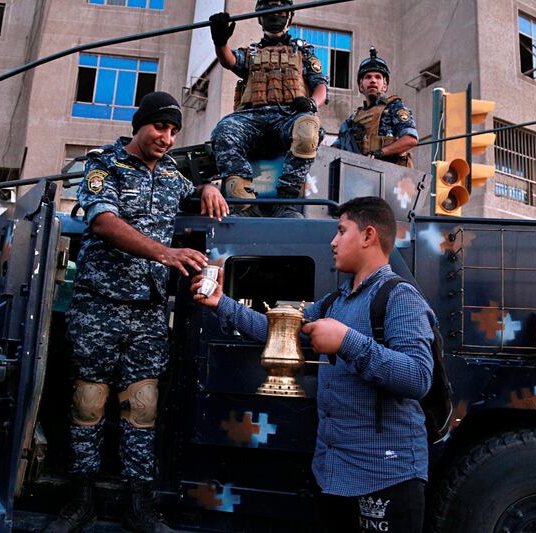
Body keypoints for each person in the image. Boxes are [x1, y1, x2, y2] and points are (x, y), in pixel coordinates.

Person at [192, 196, 435, 532]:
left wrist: (346, 341)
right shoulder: (335, 301)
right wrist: (222, 303)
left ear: (368, 236)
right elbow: (277, 330)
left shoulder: (399, 297)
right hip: (333, 475)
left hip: (385, 477)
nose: (333, 242)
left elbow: (418, 377)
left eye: (341, 231)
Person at [46, 91, 228, 533]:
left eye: (172, 131)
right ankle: (81, 498)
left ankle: (138, 501)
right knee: (89, 402)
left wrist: (206, 186)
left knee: (142, 406)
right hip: (99, 303)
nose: (165, 138)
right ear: (139, 125)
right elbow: (103, 221)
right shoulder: (102, 165)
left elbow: (192, 193)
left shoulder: (171, 175)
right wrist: (164, 253)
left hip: (147, 310)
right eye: (158, 128)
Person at [208, 0, 328, 218]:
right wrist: (219, 41)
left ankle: (286, 202)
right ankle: (244, 204)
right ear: (260, 18)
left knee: (309, 128)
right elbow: (229, 60)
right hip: (252, 119)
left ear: (289, 16)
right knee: (224, 130)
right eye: (270, 11)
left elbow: (320, 85)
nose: (276, 17)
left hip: (287, 117)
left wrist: (311, 103)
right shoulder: (252, 52)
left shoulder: (304, 52)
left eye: (281, 11)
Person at [332, 48, 418, 168]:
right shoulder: (351, 121)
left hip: (392, 176)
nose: (373, 80)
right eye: (368, 77)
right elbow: (335, 150)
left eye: (378, 77)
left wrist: (381, 152)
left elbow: (410, 139)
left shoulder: (394, 108)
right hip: (358, 176)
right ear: (361, 86)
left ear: (385, 86)